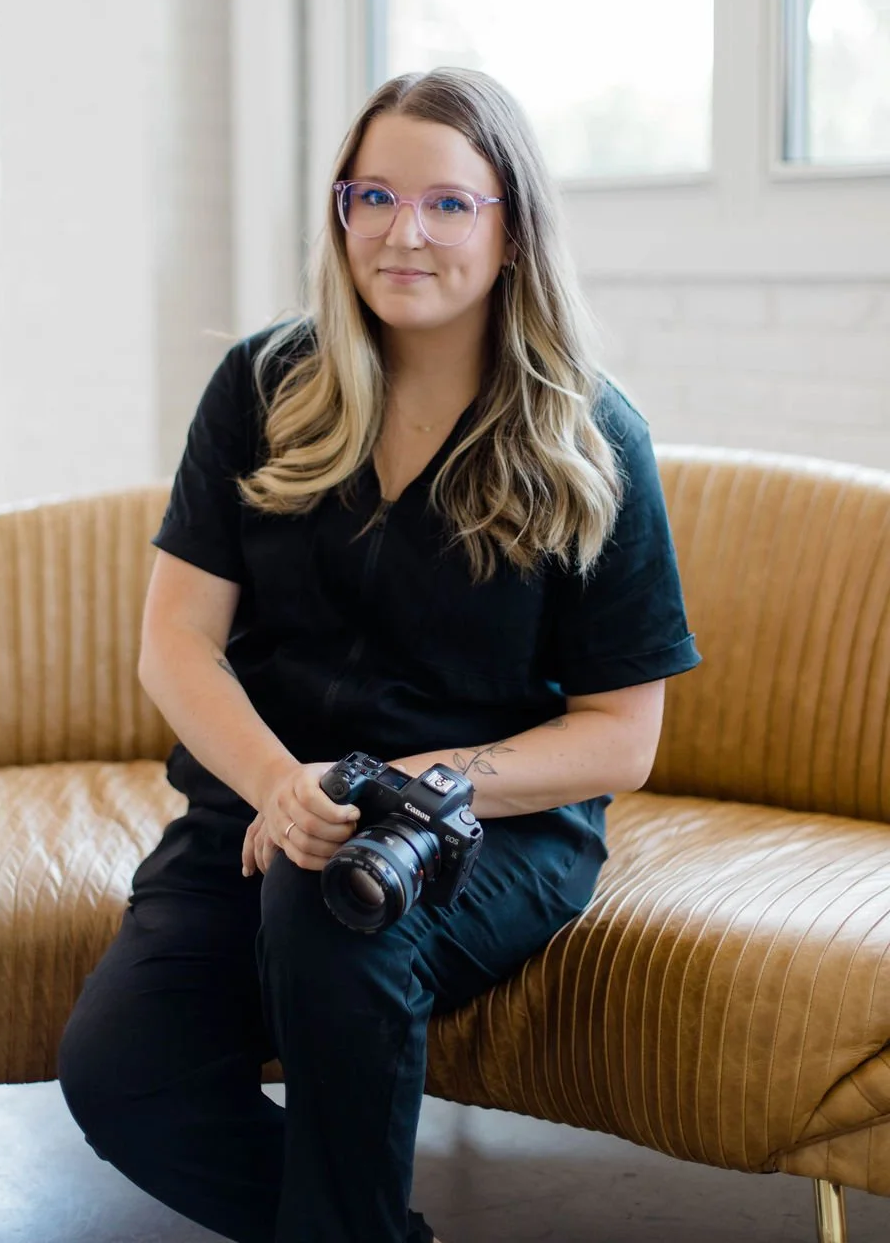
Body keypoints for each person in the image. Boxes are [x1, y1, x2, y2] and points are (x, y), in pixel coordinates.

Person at [57, 66, 702, 1243]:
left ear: (512, 231)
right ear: (341, 212)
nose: (405, 233)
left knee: (336, 900)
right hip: (262, 809)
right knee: (122, 1076)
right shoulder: (264, 384)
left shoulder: (591, 437)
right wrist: (282, 786)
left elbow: (621, 737)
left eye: (449, 204)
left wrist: (384, 790)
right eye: (374, 197)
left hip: (486, 830)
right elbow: (177, 641)